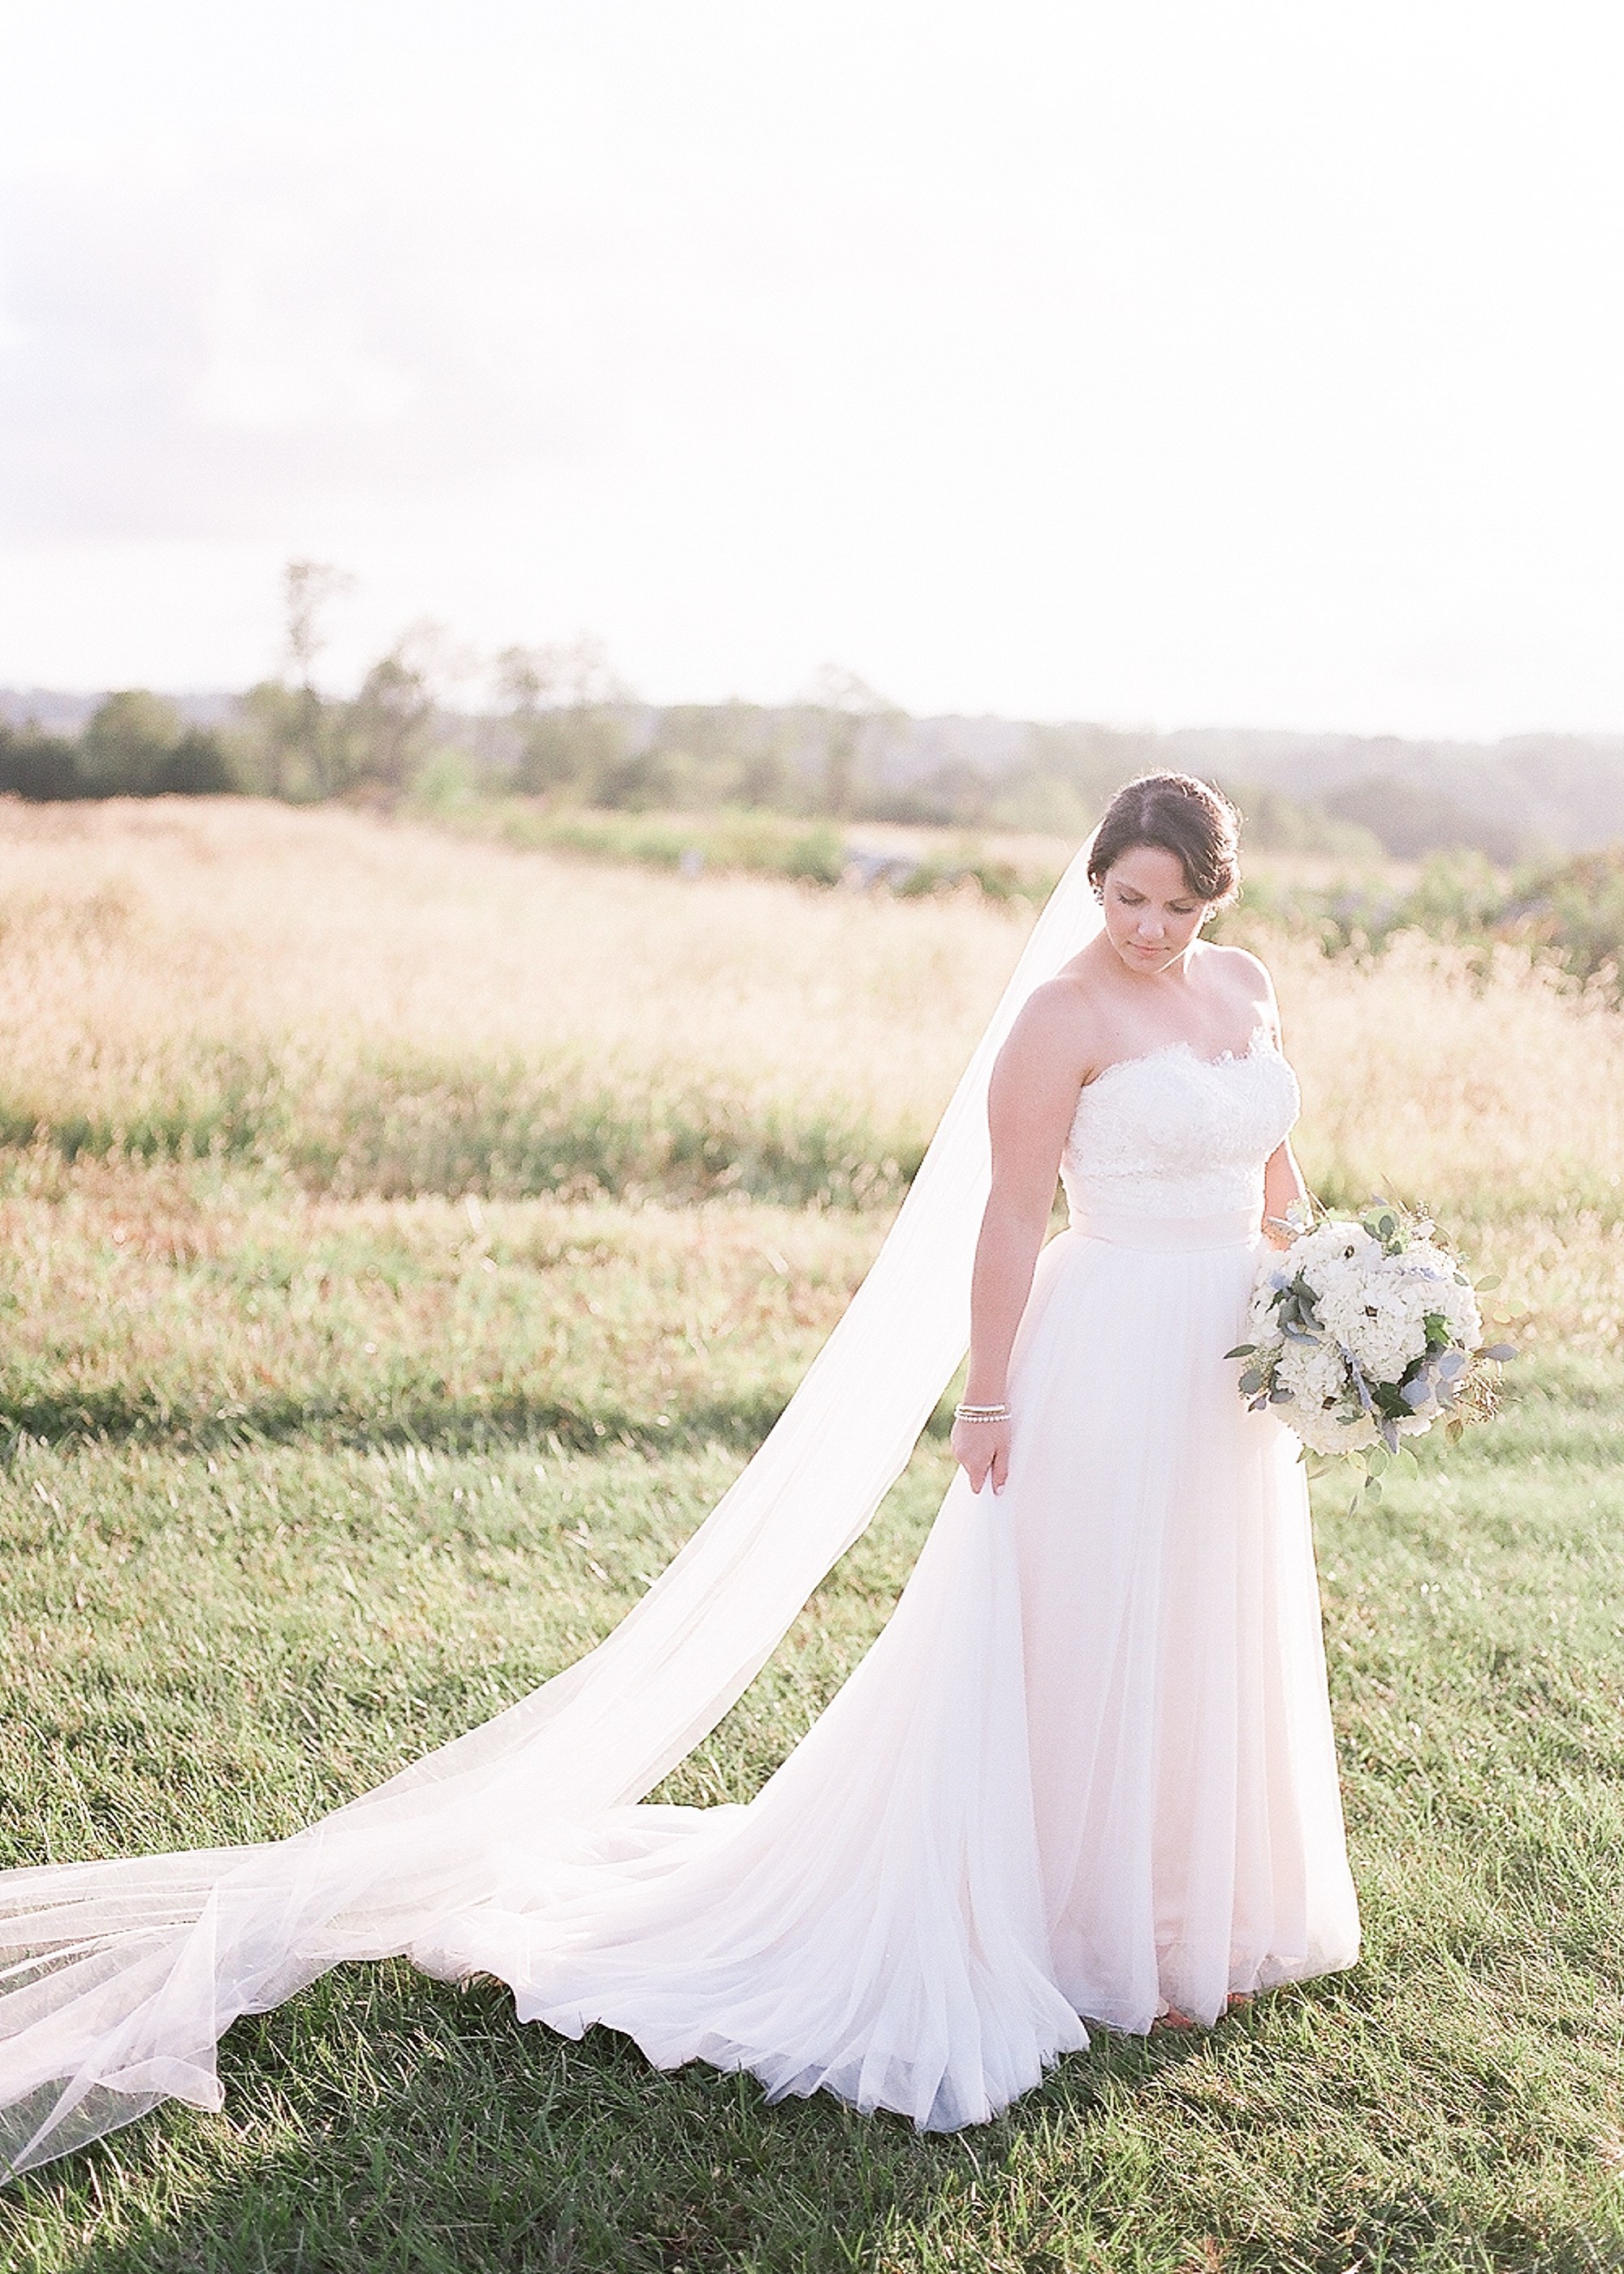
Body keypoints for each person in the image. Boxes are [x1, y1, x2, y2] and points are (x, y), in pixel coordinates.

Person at [0, 772, 1358, 2176]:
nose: (1147, 927)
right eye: (1126, 897)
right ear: (1095, 883)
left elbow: (1271, 1168)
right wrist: (992, 1393)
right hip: (1105, 1355)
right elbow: (1013, 1216)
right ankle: (1084, 1933)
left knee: (1209, 1622)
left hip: (1232, 1366)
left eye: (1176, 905)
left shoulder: (1244, 987)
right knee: (1083, 1631)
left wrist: (1328, 1297)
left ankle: (1193, 1922)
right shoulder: (1059, 1016)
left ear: (1219, 899)